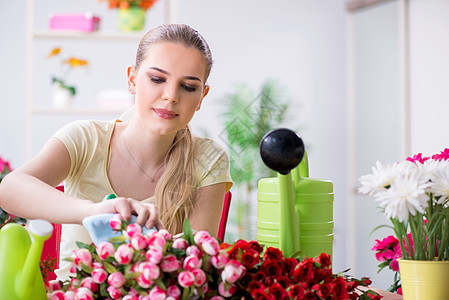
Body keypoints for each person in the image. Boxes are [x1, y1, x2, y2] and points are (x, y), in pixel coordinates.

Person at [0, 24, 233, 280]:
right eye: (157, 79)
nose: (171, 96)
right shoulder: (85, 138)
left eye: (188, 87)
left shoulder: (208, 159)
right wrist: (92, 212)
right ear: (132, 79)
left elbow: (197, 270)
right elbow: (9, 189)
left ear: (202, 96)